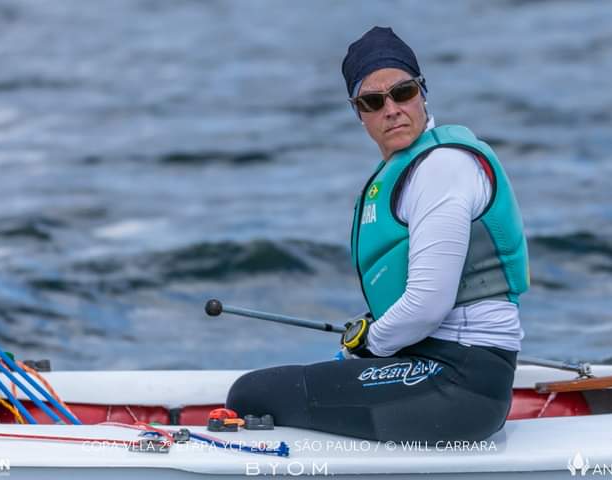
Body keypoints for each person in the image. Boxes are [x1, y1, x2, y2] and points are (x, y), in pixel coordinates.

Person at [225, 26, 530, 443]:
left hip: (464, 385)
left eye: (402, 93)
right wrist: (371, 336)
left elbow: (427, 305)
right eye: (372, 101)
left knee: (251, 394)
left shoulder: (443, 168)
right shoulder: (407, 171)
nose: (391, 109)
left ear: (423, 92)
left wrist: (366, 347)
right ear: (359, 113)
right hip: (432, 364)